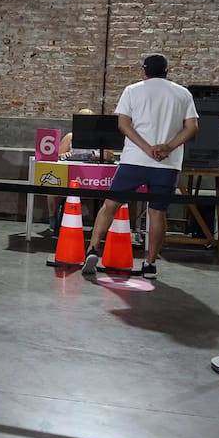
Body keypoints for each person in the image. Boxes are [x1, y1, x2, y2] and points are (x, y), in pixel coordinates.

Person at [83, 54, 198, 280]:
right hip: (167, 163)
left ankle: (93, 249)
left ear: (143, 71)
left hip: (134, 160)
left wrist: (146, 148)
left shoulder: (132, 90)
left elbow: (123, 124)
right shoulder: (183, 94)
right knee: (157, 212)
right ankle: (150, 263)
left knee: (110, 204)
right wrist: (167, 147)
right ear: (167, 70)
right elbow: (192, 127)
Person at [45, 108, 115, 234]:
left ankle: (106, 225)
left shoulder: (100, 137)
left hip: (95, 178)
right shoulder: (70, 137)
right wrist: (65, 155)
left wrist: (98, 155)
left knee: (110, 195)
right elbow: (58, 155)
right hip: (72, 176)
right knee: (52, 190)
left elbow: (110, 155)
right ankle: (53, 219)